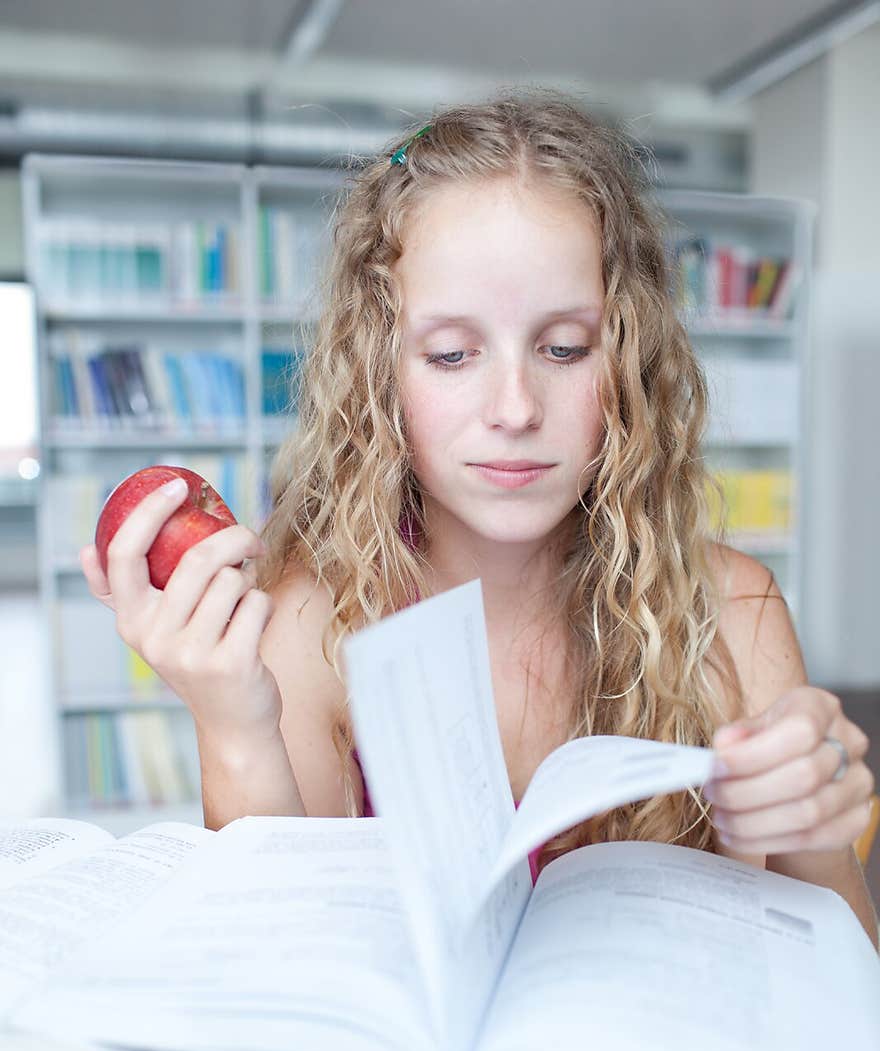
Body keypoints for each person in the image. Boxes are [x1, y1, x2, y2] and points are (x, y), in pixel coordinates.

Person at [80, 90, 877, 946]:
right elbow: (276, 968)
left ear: (632, 357)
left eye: (565, 348)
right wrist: (232, 721)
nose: (514, 406)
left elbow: (843, 985)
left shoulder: (731, 611)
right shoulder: (309, 620)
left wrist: (817, 832)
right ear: (380, 371)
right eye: (453, 354)